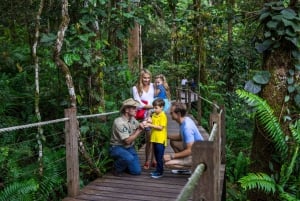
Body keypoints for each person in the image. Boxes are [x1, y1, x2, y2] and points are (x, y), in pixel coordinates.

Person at [163, 102, 204, 174]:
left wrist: (171, 156)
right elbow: (180, 137)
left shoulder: (187, 127)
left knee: (168, 164)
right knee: (173, 142)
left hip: (198, 155)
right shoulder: (184, 120)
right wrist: (166, 136)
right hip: (194, 150)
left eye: (171, 113)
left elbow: (190, 150)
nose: (170, 114)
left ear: (178, 114)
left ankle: (194, 168)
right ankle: (184, 162)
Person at [109, 98, 145, 176]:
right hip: (117, 147)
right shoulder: (119, 122)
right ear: (126, 110)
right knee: (129, 158)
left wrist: (145, 123)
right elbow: (127, 141)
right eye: (133, 108)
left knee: (136, 172)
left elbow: (139, 126)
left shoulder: (132, 119)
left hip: (129, 147)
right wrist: (139, 130)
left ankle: (125, 163)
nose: (136, 110)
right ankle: (116, 168)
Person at [132, 69, 155, 169]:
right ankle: (135, 159)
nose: (147, 80)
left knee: (152, 138)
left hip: (153, 115)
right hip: (140, 116)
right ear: (141, 78)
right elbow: (138, 103)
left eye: (148, 77)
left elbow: (160, 99)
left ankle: (151, 160)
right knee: (134, 136)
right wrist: (151, 106)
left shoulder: (154, 86)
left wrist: (152, 107)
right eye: (145, 78)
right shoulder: (135, 88)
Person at [143, 98, 167, 179]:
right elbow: (151, 122)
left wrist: (150, 125)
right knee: (156, 156)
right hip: (154, 139)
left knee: (159, 157)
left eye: (156, 108)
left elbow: (160, 127)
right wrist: (148, 120)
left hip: (160, 140)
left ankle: (160, 172)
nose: (154, 109)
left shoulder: (163, 116)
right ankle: (157, 170)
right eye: (154, 107)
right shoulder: (154, 115)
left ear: (162, 107)